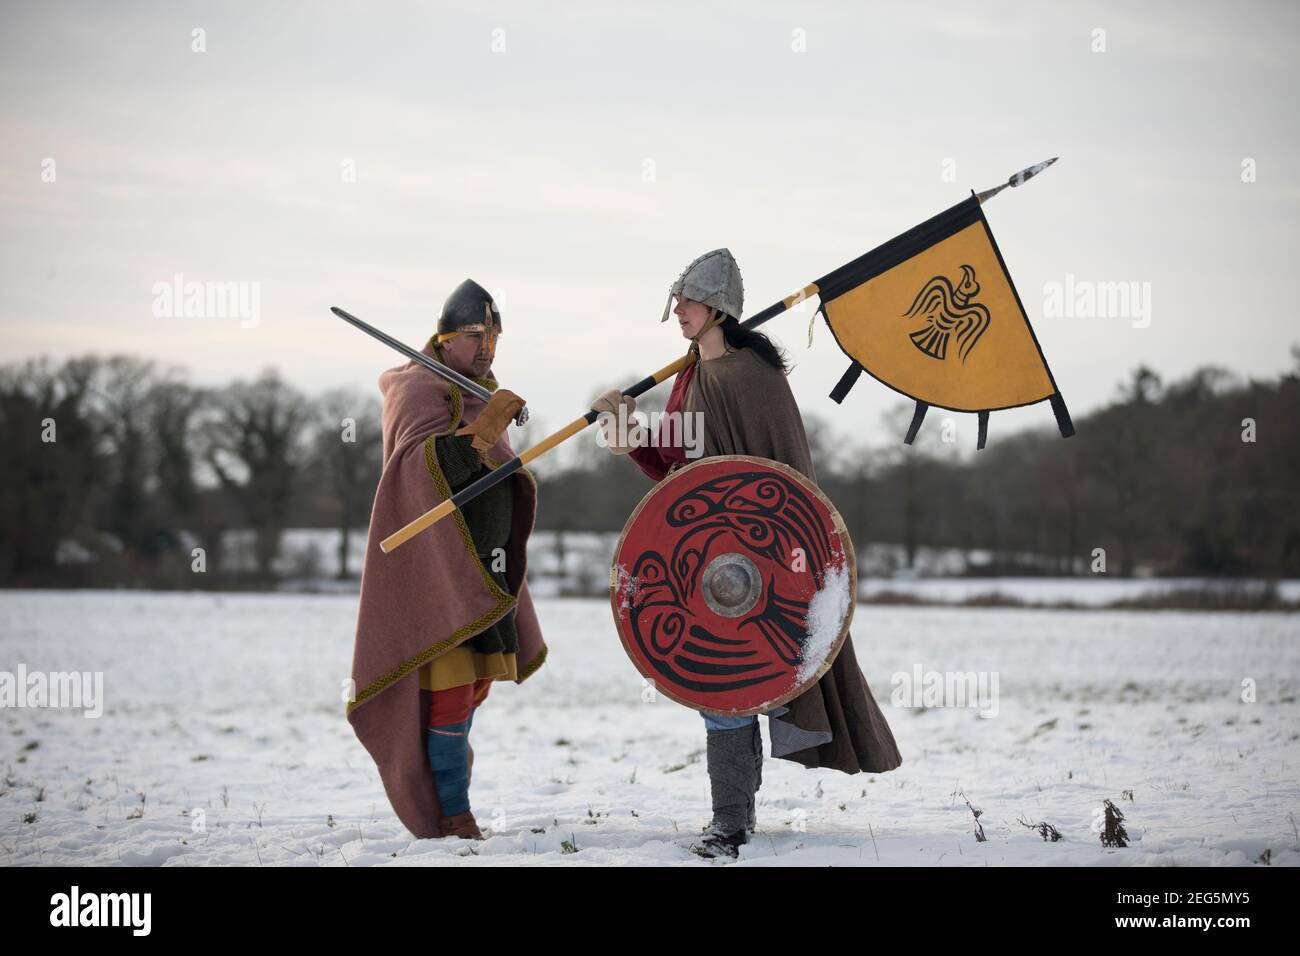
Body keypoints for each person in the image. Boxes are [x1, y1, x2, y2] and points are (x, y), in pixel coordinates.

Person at [593, 249, 902, 858]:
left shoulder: (751, 377)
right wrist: (632, 435)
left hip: (760, 561)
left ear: (716, 309)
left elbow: (781, 478)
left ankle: (731, 826)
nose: (676, 312)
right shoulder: (691, 374)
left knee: (731, 688)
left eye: (685, 302)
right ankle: (735, 818)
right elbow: (680, 473)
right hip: (703, 562)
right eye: (676, 303)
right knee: (720, 691)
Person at [348, 278, 548, 841]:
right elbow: (417, 474)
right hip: (439, 575)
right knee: (449, 702)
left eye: (494, 335)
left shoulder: (474, 387)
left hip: (482, 571)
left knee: (467, 697)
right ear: (445, 336)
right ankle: (453, 817)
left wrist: (489, 428)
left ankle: (448, 805)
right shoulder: (419, 389)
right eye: (474, 334)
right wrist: (484, 431)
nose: (486, 347)